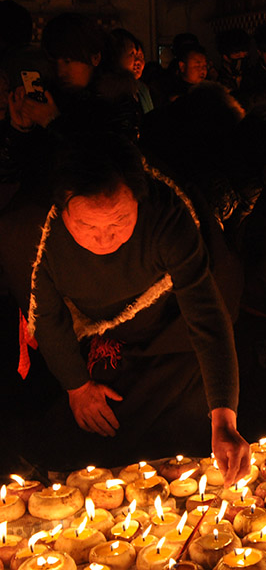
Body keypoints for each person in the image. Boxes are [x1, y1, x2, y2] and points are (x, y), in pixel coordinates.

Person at [22, 134, 249, 479]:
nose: (104, 239)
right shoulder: (40, 235)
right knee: (80, 439)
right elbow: (47, 316)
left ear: (138, 202)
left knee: (185, 425)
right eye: (86, 226)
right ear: (62, 209)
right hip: (101, 336)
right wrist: (77, 386)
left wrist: (224, 417)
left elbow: (207, 316)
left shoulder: (167, 217)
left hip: (172, 328)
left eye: (119, 221)